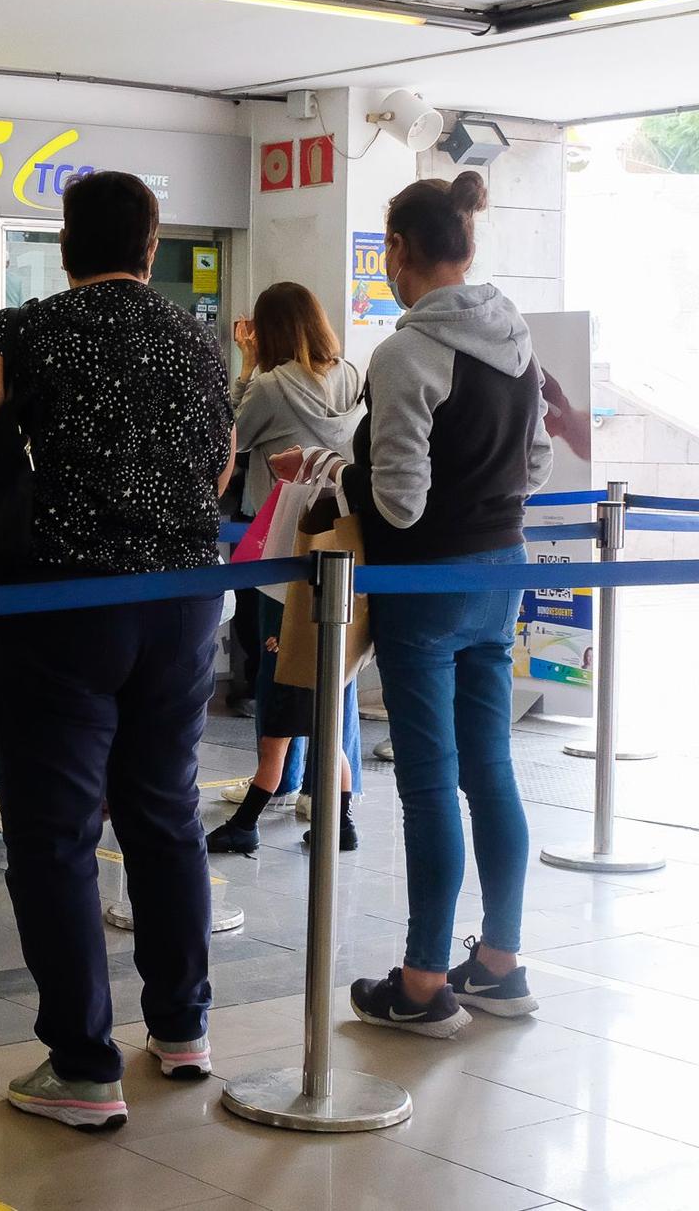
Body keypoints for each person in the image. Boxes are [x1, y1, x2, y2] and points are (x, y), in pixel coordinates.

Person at [0, 170, 235, 1129]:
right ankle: (182, 1031)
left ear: (65, 242)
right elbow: (216, 469)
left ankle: (84, 1066)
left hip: (63, 605)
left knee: (55, 831)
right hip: (181, 604)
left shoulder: (29, 328)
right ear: (151, 243)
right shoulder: (195, 339)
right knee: (164, 811)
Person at [274, 171, 550, 1036]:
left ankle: (425, 981)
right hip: (498, 573)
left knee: (430, 788)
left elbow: (397, 503)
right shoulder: (517, 340)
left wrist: (332, 471)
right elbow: (535, 467)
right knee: (490, 772)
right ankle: (499, 964)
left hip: (425, 586)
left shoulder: (406, 354)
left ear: (399, 251)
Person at [206, 283, 366, 855]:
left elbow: (231, 436)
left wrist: (247, 367)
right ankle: (328, 798)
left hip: (276, 538)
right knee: (332, 671)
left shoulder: (271, 387)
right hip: (337, 538)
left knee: (277, 664)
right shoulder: (349, 375)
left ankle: (272, 791)